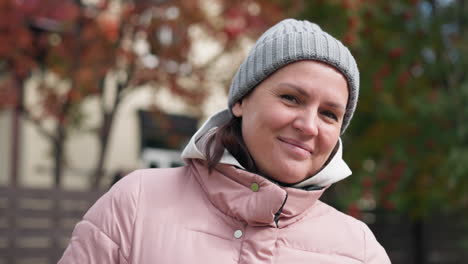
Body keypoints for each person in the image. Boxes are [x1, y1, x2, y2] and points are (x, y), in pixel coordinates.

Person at [59, 19, 391, 263]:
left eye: (329, 114)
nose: (308, 125)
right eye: (291, 98)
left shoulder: (359, 250)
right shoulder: (136, 204)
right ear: (241, 101)